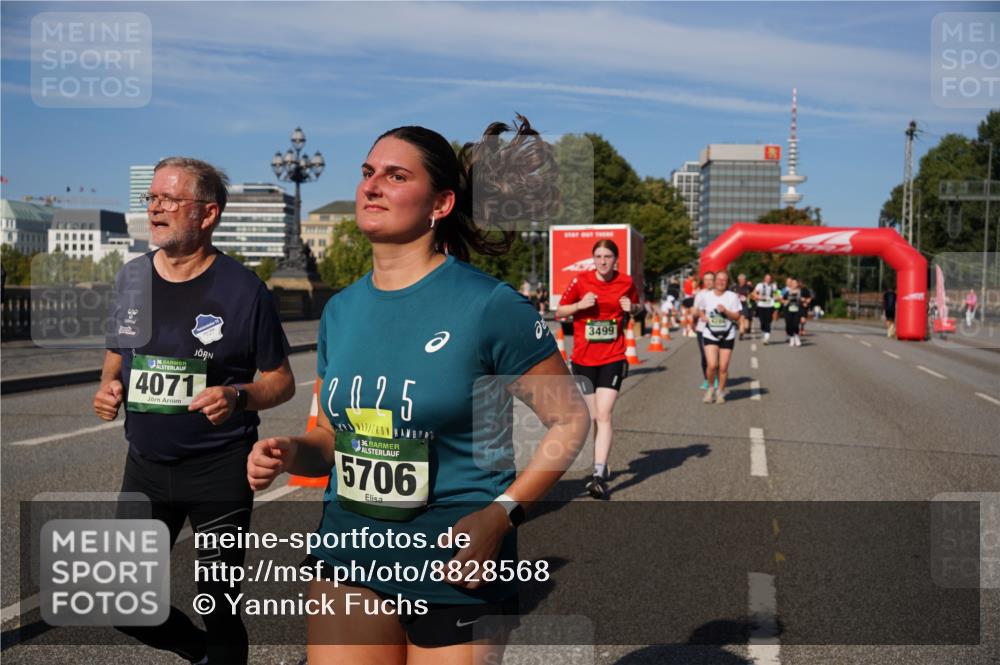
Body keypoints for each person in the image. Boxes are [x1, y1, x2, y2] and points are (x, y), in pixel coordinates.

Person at [246, 118, 590, 665]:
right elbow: (332, 436)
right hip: (348, 552)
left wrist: (502, 513)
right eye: (367, 172)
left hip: (457, 560)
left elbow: (571, 420)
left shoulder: (489, 305)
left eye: (396, 175)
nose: (371, 186)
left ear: (440, 204)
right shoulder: (340, 311)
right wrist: (290, 451)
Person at [94, 157, 296, 665]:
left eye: (169, 199)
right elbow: (118, 349)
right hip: (145, 467)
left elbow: (281, 381)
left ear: (207, 214)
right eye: (152, 198)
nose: (155, 208)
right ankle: (201, 653)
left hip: (219, 469)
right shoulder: (132, 277)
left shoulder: (244, 290)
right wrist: (108, 387)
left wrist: (237, 397)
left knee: (218, 603)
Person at [556, 239, 640, 499]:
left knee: (604, 414)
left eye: (607, 257)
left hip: (613, 356)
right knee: (592, 417)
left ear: (616, 260)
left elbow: (639, 308)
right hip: (583, 359)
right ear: (593, 259)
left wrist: (633, 308)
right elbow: (559, 311)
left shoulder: (626, 282)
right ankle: (599, 463)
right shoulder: (580, 281)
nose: (603, 261)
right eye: (599, 257)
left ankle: (598, 474)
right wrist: (579, 306)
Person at [696, 270, 741, 404]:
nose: (721, 282)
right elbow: (700, 309)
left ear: (727, 283)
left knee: (723, 367)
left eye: (724, 280)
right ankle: (710, 388)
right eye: (719, 279)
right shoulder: (706, 296)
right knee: (712, 365)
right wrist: (703, 317)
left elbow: (737, 316)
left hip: (728, 334)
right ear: (715, 281)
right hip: (710, 333)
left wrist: (725, 311)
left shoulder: (732, 297)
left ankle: (720, 392)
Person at [692, 272, 716, 390]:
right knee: (704, 355)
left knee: (715, 355)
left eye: (711, 279)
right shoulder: (700, 294)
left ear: (714, 281)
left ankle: (715, 378)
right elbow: (695, 311)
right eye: (706, 279)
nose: (708, 282)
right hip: (702, 328)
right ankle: (707, 379)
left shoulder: (719, 294)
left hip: (716, 329)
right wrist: (695, 316)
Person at [752, 273, 777, 345]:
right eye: (767, 278)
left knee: (768, 321)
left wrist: (776, 297)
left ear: (771, 279)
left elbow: (776, 294)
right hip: (761, 305)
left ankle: (766, 338)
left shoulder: (773, 286)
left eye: (769, 278)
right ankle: (764, 333)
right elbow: (753, 293)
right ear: (764, 279)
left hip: (770, 305)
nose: (768, 280)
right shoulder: (759, 285)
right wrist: (759, 297)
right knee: (762, 322)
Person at [782, 277, 804, 346]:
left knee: (796, 324)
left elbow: (804, 301)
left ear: (797, 284)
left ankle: (797, 337)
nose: (794, 284)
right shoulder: (787, 292)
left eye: (795, 283)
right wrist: (785, 301)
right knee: (789, 325)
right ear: (791, 284)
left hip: (797, 311)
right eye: (792, 283)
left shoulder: (800, 292)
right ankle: (791, 338)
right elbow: (782, 300)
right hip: (788, 311)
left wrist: (803, 300)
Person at [733, 273, 754, 340]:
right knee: (739, 320)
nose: (742, 281)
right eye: (741, 279)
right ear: (738, 280)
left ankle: (741, 333)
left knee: (743, 319)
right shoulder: (734, 287)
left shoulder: (748, 287)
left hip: (745, 305)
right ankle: (741, 330)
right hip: (736, 305)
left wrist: (750, 296)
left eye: (744, 279)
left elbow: (753, 293)